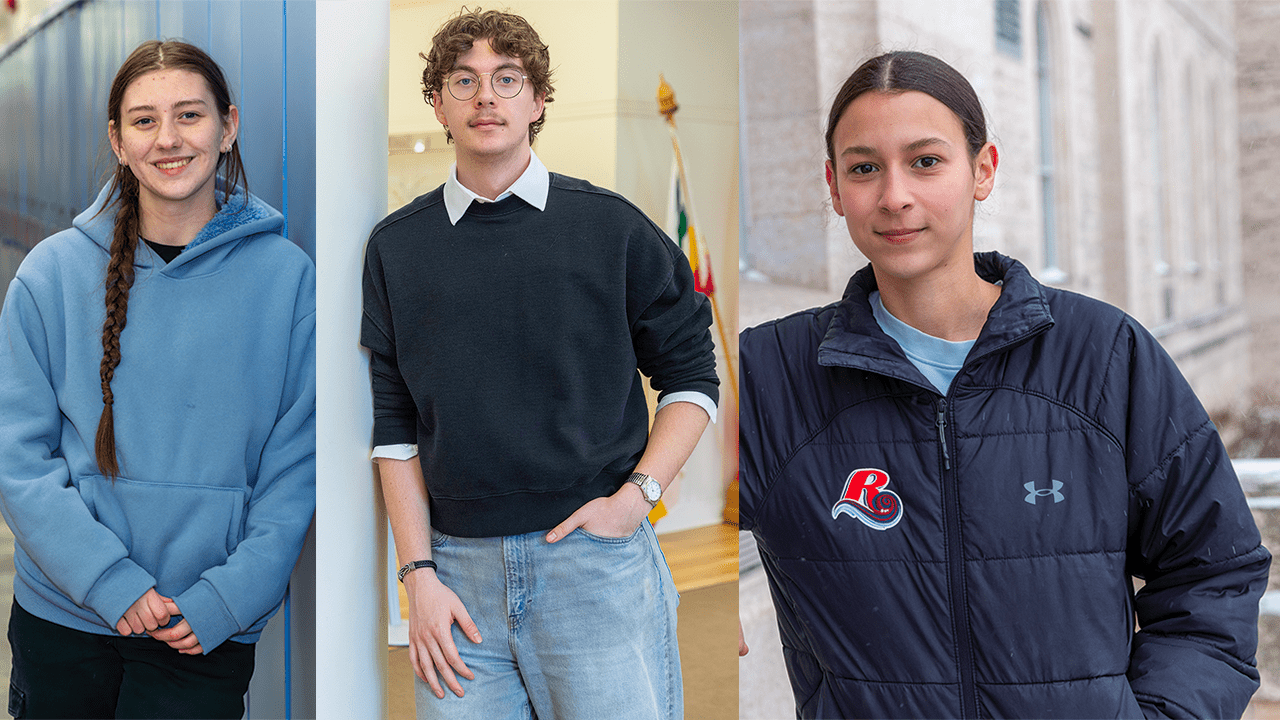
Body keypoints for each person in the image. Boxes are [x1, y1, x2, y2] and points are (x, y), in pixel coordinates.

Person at [738, 50, 1270, 719]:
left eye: (925, 161)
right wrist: (684, 586)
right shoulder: (770, 373)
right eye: (864, 167)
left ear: (982, 170)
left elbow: (1213, 569)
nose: (894, 195)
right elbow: (649, 488)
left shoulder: (1102, 355)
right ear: (835, 186)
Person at [361, 8, 718, 720]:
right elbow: (393, 424)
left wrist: (636, 499)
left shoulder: (611, 228)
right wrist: (418, 574)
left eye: (506, 78)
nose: (485, 97)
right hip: (455, 574)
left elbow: (692, 376)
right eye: (464, 80)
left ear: (538, 99)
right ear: (437, 101)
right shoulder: (396, 247)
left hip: (594, 564)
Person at [0, 40, 315, 719]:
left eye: (189, 116)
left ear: (227, 127)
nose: (168, 139)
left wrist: (225, 600)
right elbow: (17, 456)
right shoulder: (51, 275)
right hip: (67, 617)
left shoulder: (286, 281)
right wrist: (111, 581)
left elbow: (296, 470)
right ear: (117, 141)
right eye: (144, 121)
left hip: (203, 628)